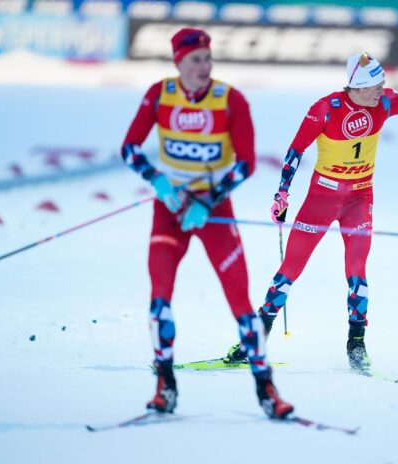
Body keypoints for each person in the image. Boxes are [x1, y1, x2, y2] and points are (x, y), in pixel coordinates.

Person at [224, 50, 398, 373]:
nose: (382, 90)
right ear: (356, 88)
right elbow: (295, 150)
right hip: (321, 199)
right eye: (375, 86)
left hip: (359, 199)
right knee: (289, 271)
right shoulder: (325, 109)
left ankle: (356, 344)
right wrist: (282, 195)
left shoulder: (385, 103)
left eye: (382, 84)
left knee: (357, 273)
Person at [121, 27, 293, 418]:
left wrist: (209, 198)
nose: (204, 66)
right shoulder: (159, 94)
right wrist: (159, 182)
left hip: (213, 212)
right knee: (159, 300)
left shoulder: (231, 100)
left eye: (208, 58)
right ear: (178, 62)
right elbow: (129, 148)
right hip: (170, 210)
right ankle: (165, 386)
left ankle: (266, 389)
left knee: (241, 304)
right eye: (195, 59)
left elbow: (246, 162)